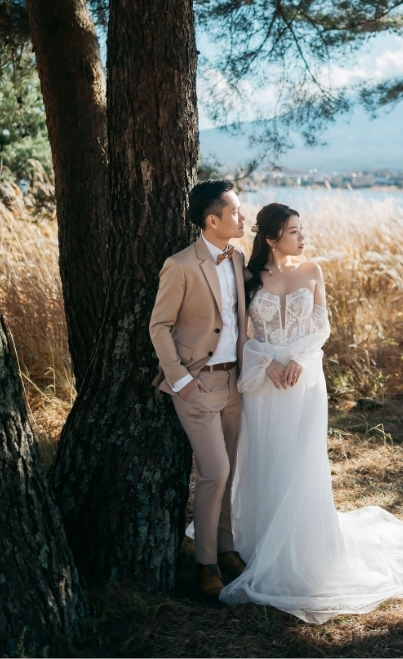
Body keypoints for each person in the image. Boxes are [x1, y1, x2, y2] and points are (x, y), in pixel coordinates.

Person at [218, 202, 403, 623]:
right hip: (264, 384)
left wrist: (296, 361)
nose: (302, 238)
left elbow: (321, 327)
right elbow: (241, 335)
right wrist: (269, 362)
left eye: (302, 230)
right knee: (266, 458)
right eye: (294, 232)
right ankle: (261, 543)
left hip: (303, 381)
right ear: (271, 238)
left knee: (302, 460)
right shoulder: (249, 276)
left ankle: (305, 548)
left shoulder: (312, 272)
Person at [149, 179, 250, 602]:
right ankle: (205, 564)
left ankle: (226, 549)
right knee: (215, 472)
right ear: (213, 220)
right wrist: (183, 380)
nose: (243, 217)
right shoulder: (181, 265)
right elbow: (159, 326)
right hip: (197, 384)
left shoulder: (238, 256)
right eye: (235, 212)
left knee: (232, 470)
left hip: (234, 382)